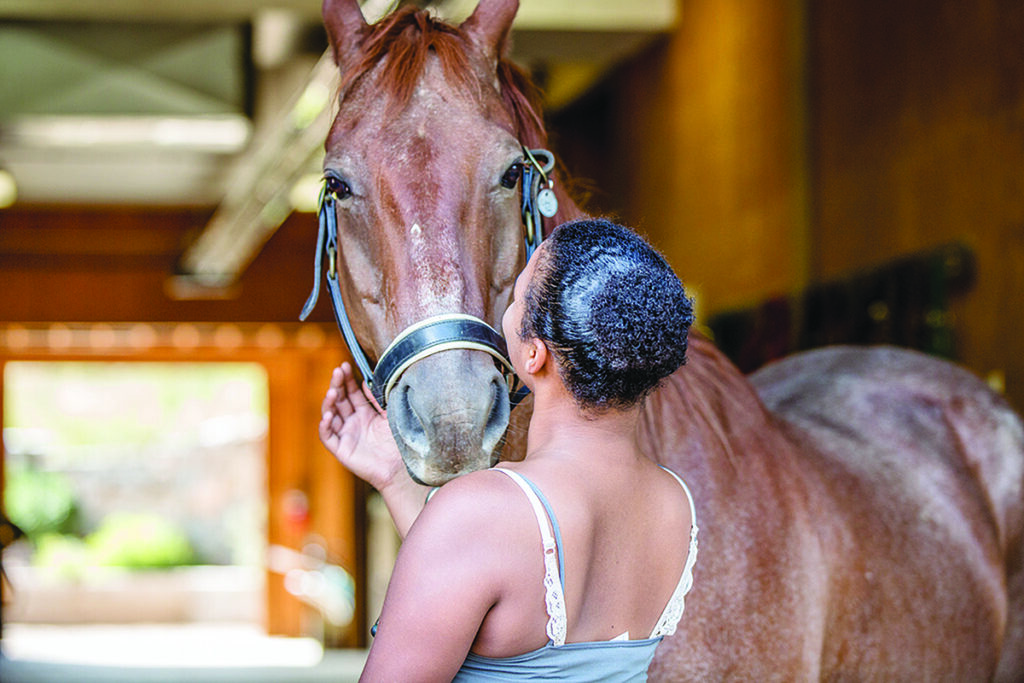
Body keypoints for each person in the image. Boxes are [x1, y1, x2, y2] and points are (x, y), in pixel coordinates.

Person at [319, 218, 698, 681]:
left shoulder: (484, 512)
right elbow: (489, 573)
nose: (508, 308)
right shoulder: (674, 503)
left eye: (516, 296)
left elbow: (485, 549)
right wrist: (395, 477)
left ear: (534, 354)